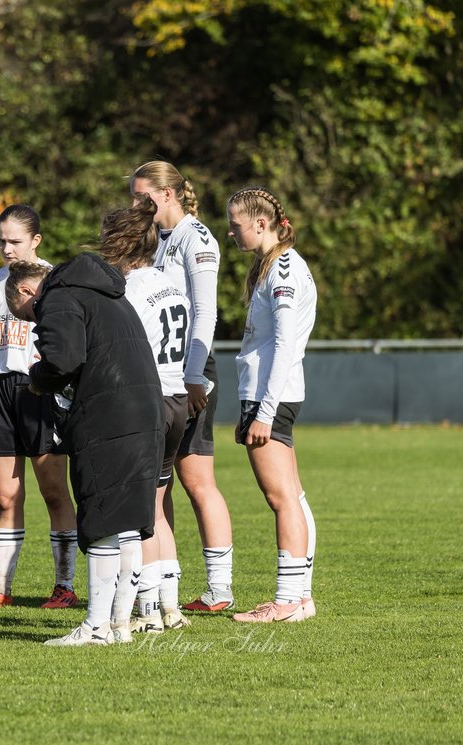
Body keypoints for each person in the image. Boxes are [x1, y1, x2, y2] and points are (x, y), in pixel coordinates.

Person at [4, 257, 162, 646]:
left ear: (28, 292)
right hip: (148, 409)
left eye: (28, 316)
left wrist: (38, 379)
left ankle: (95, 627)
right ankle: (120, 624)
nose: (34, 323)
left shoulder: (59, 297)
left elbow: (62, 358)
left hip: (109, 415)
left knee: (102, 517)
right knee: (127, 522)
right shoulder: (106, 292)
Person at [0, 205, 79, 610]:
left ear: (35, 241)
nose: (7, 248)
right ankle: (0, 587)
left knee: (54, 494)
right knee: (7, 498)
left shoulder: (56, 282)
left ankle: (64, 586)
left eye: (15, 241)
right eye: (1, 240)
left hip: (42, 392)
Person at [130, 161, 233, 621]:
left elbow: (206, 314)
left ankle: (219, 587)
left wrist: (195, 376)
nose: (136, 205)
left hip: (188, 368)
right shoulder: (155, 240)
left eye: (143, 197)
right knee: (159, 482)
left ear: (167, 194)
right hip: (161, 367)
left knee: (196, 480)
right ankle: (161, 583)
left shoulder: (198, 238)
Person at [98, 200, 192, 635]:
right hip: (178, 401)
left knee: (139, 513)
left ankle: (149, 610)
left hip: (148, 402)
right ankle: (170, 608)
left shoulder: (129, 290)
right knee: (155, 505)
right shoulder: (172, 285)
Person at [227, 186, 318, 623]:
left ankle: (285, 601)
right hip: (270, 394)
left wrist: (263, 411)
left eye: (236, 225)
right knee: (293, 497)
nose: (231, 233)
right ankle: (300, 599)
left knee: (280, 498)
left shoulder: (282, 270)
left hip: (271, 396)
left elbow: (284, 346)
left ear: (260, 224)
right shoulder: (273, 266)